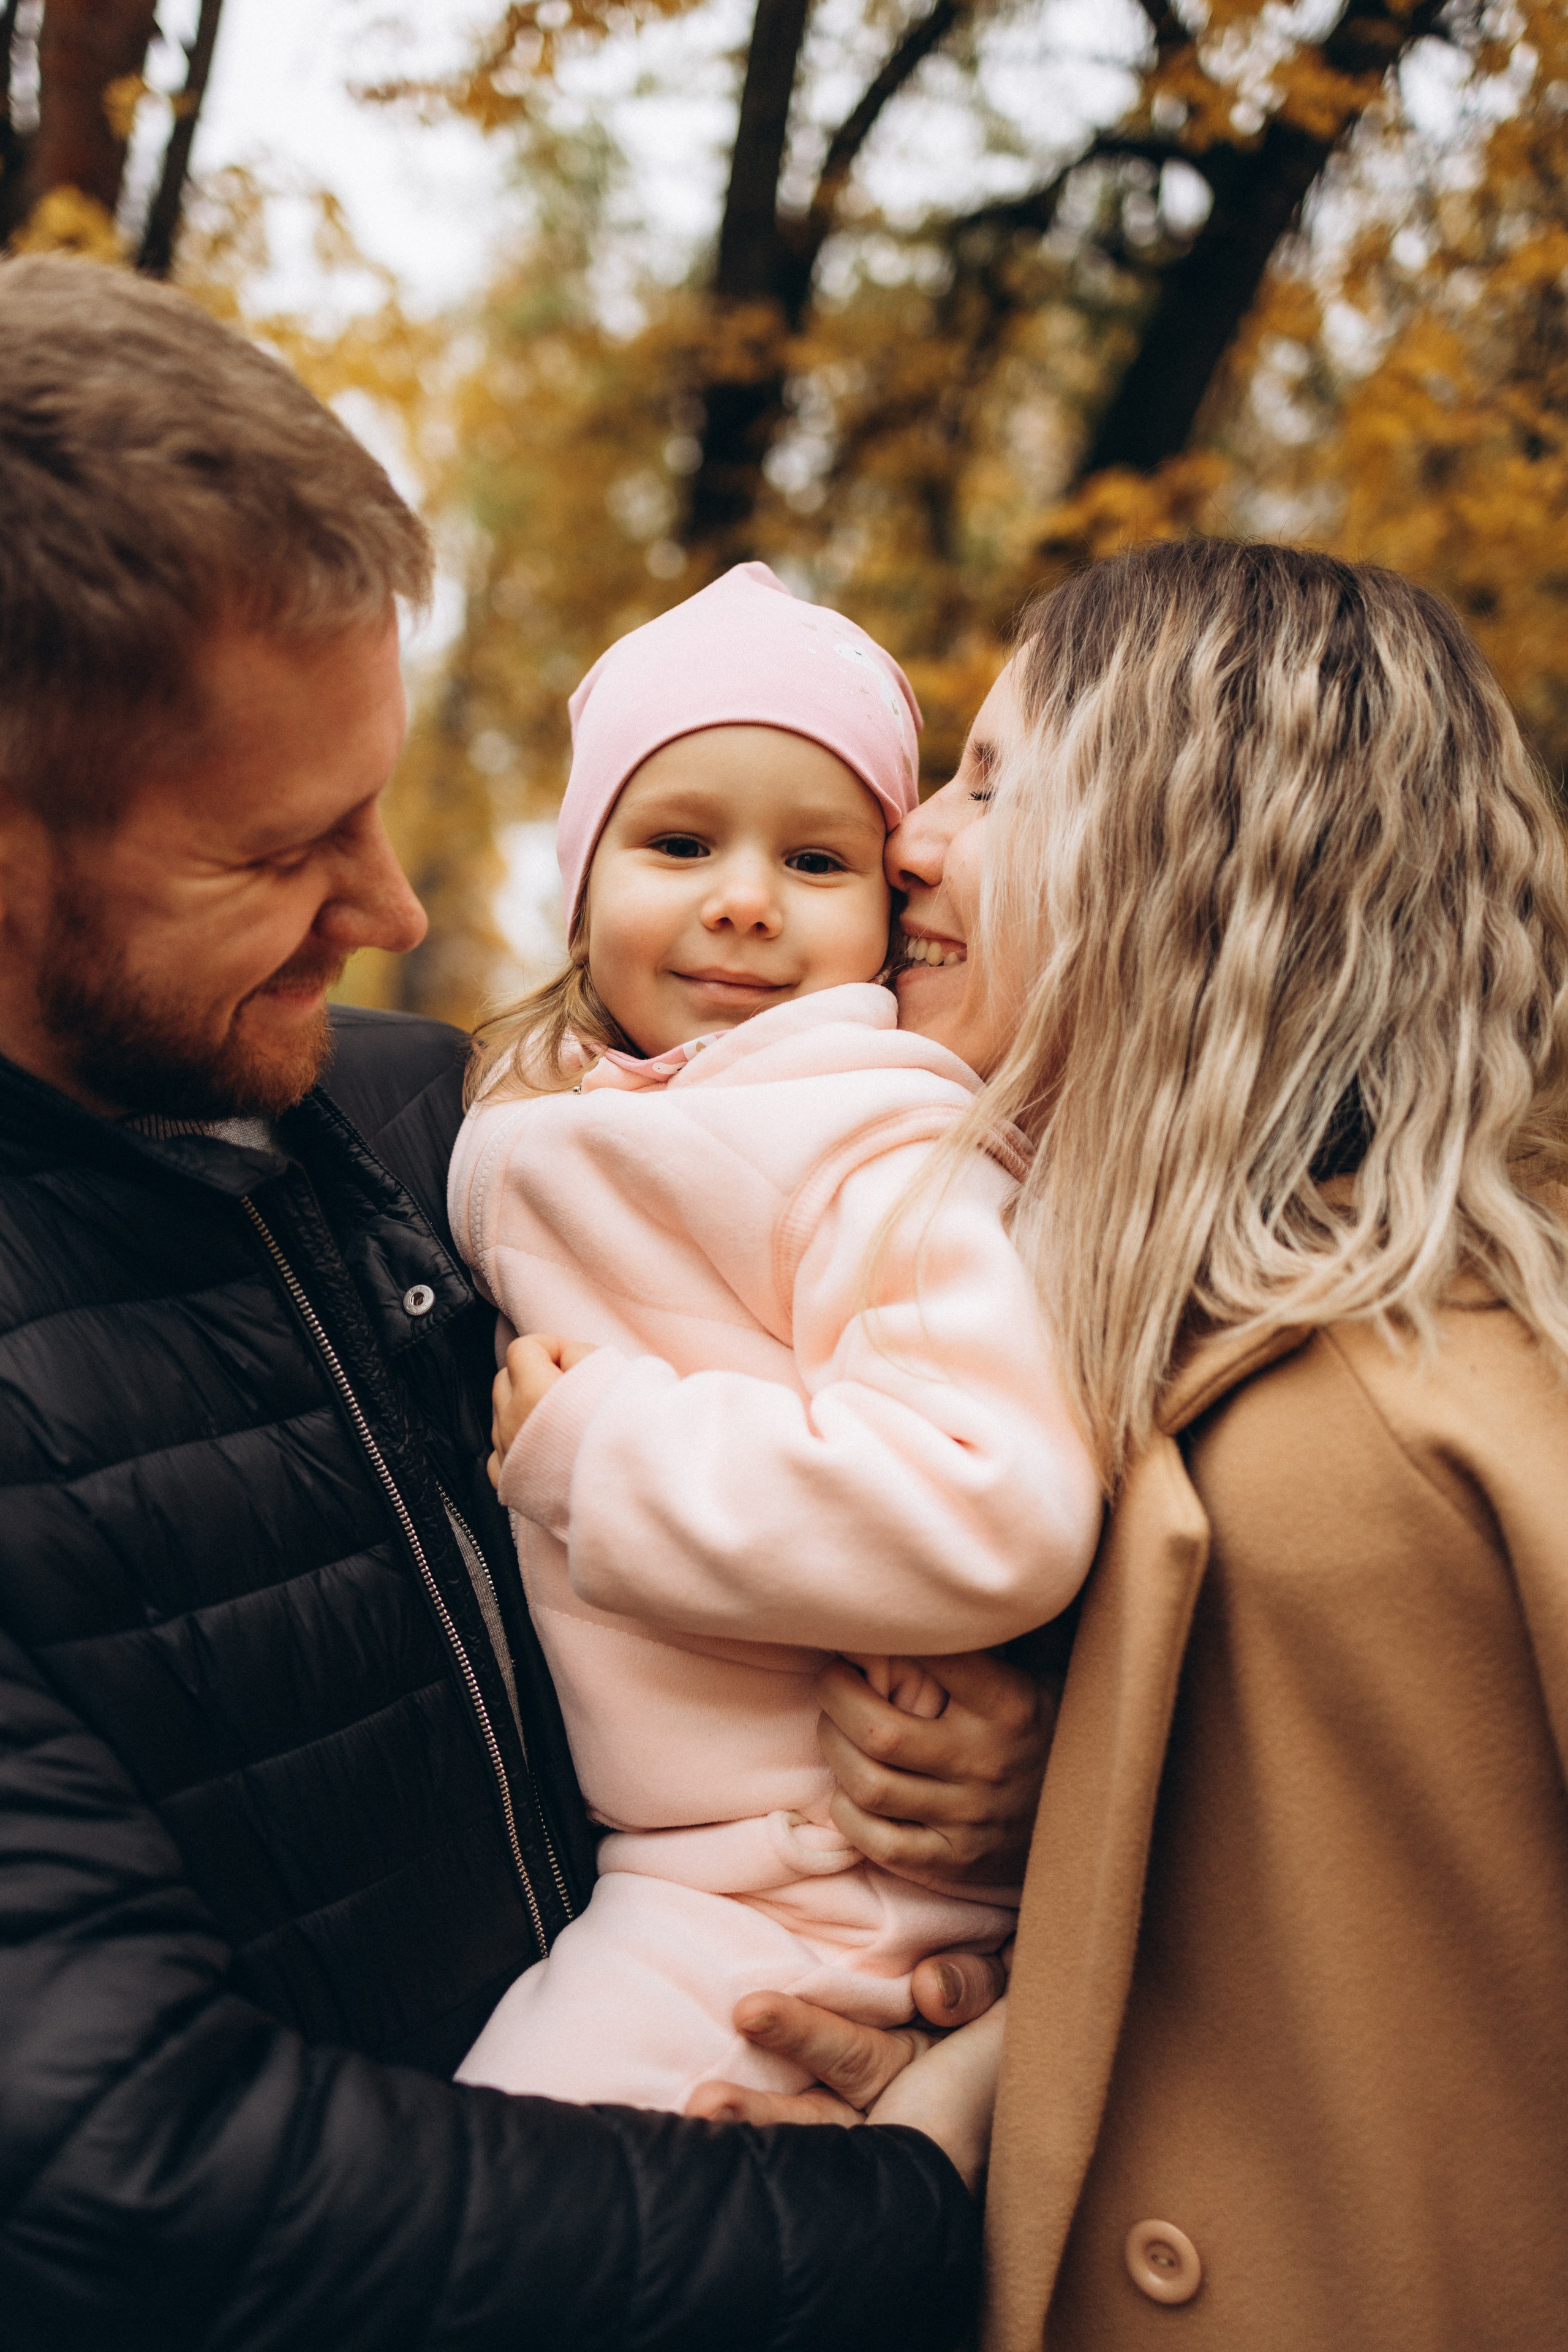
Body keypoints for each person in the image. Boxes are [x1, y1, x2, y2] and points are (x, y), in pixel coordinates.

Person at [0, 252, 1033, 2352]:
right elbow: (139, 2175)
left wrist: (976, 1745)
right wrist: (909, 2191)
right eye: (290, 846)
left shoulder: (406, 1120)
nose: (392, 915)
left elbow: (912, 1446)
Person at [707, 539, 1568, 2349]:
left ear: (1202, 867)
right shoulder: (1088, 1337)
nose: (910, 838)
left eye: (998, 783)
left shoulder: (1438, 1415)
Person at [444, 565, 1101, 2111]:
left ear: (884, 912)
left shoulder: (867, 1137)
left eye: (814, 858)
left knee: (499, 2219)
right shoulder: (555, 1112)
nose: (743, 897)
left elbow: (987, 1498)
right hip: (685, 1862)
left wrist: (602, 1451)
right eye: (679, 842)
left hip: (824, 1876)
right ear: (582, 875)